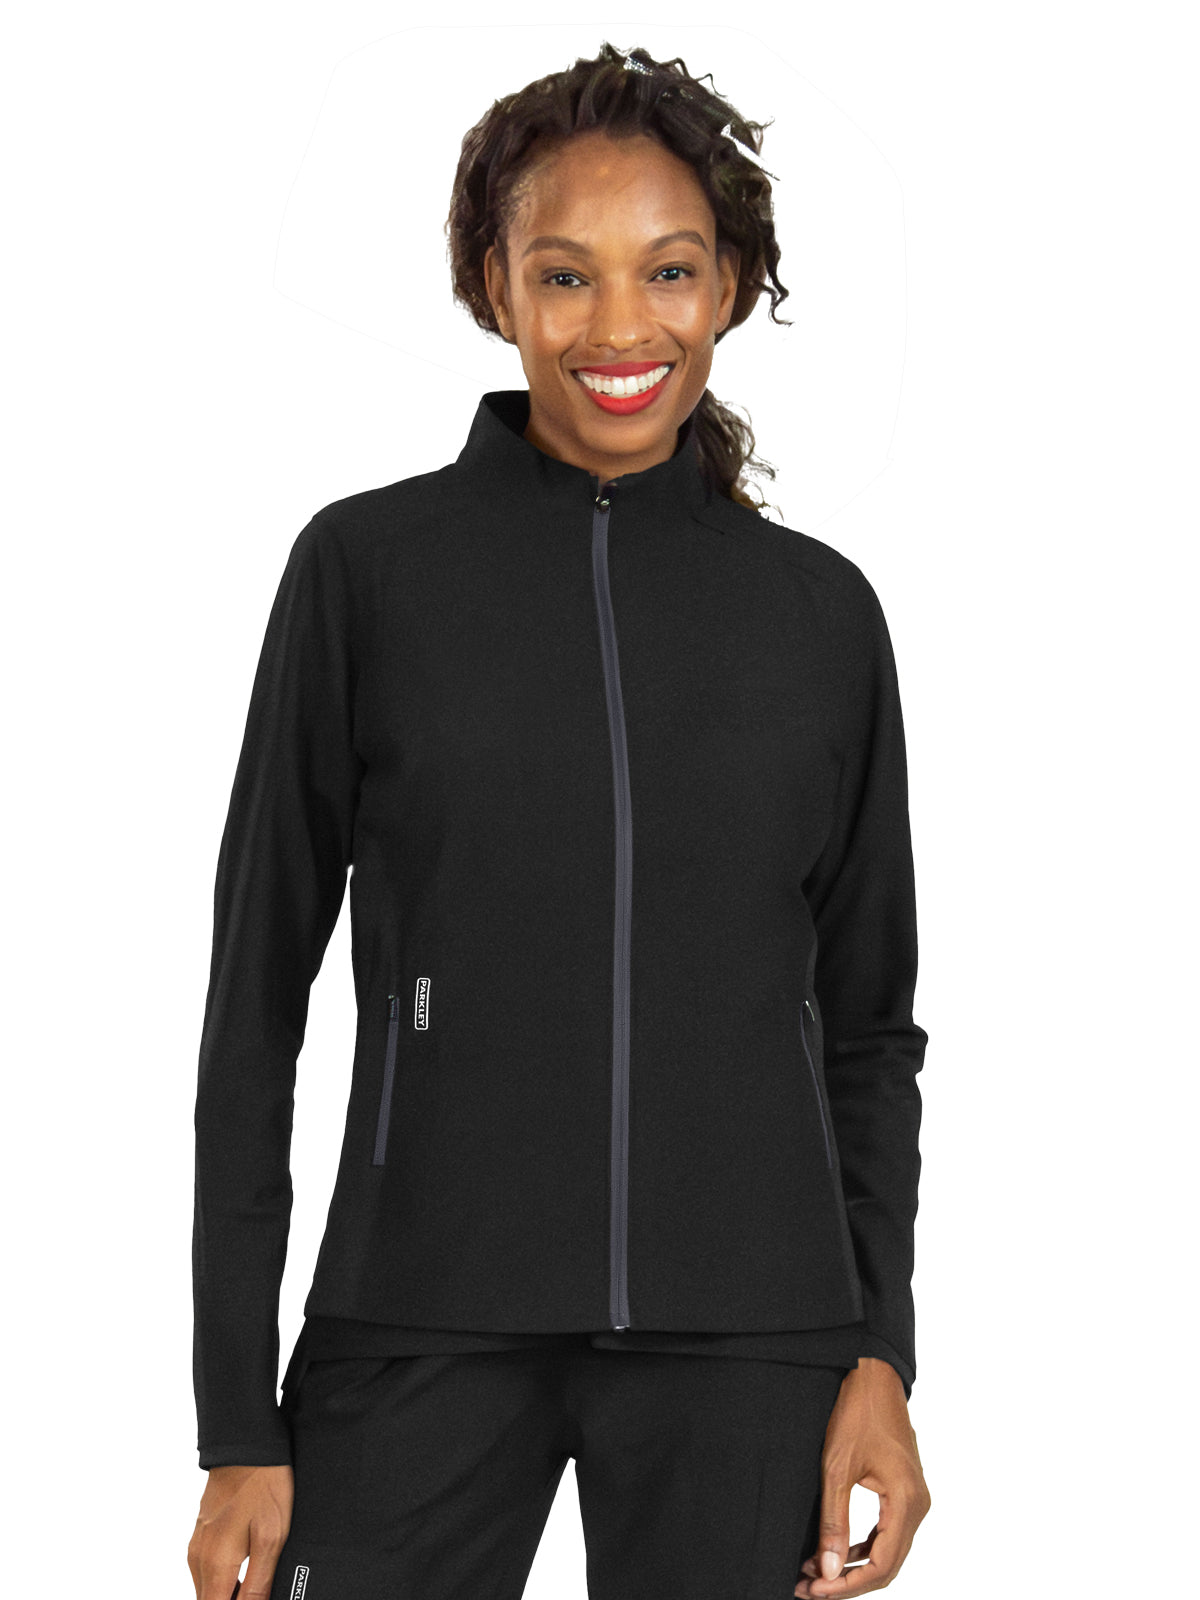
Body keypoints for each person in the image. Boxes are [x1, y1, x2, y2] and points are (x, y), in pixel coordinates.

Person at [187, 41, 931, 1600]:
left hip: (755, 1341)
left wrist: (881, 1353)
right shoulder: (366, 575)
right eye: (565, 275)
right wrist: (235, 1417)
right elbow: (254, 1006)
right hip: (420, 1317)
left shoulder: (818, 617)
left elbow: (868, 1028)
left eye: (668, 271)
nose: (619, 329)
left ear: (729, 288)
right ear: (493, 286)